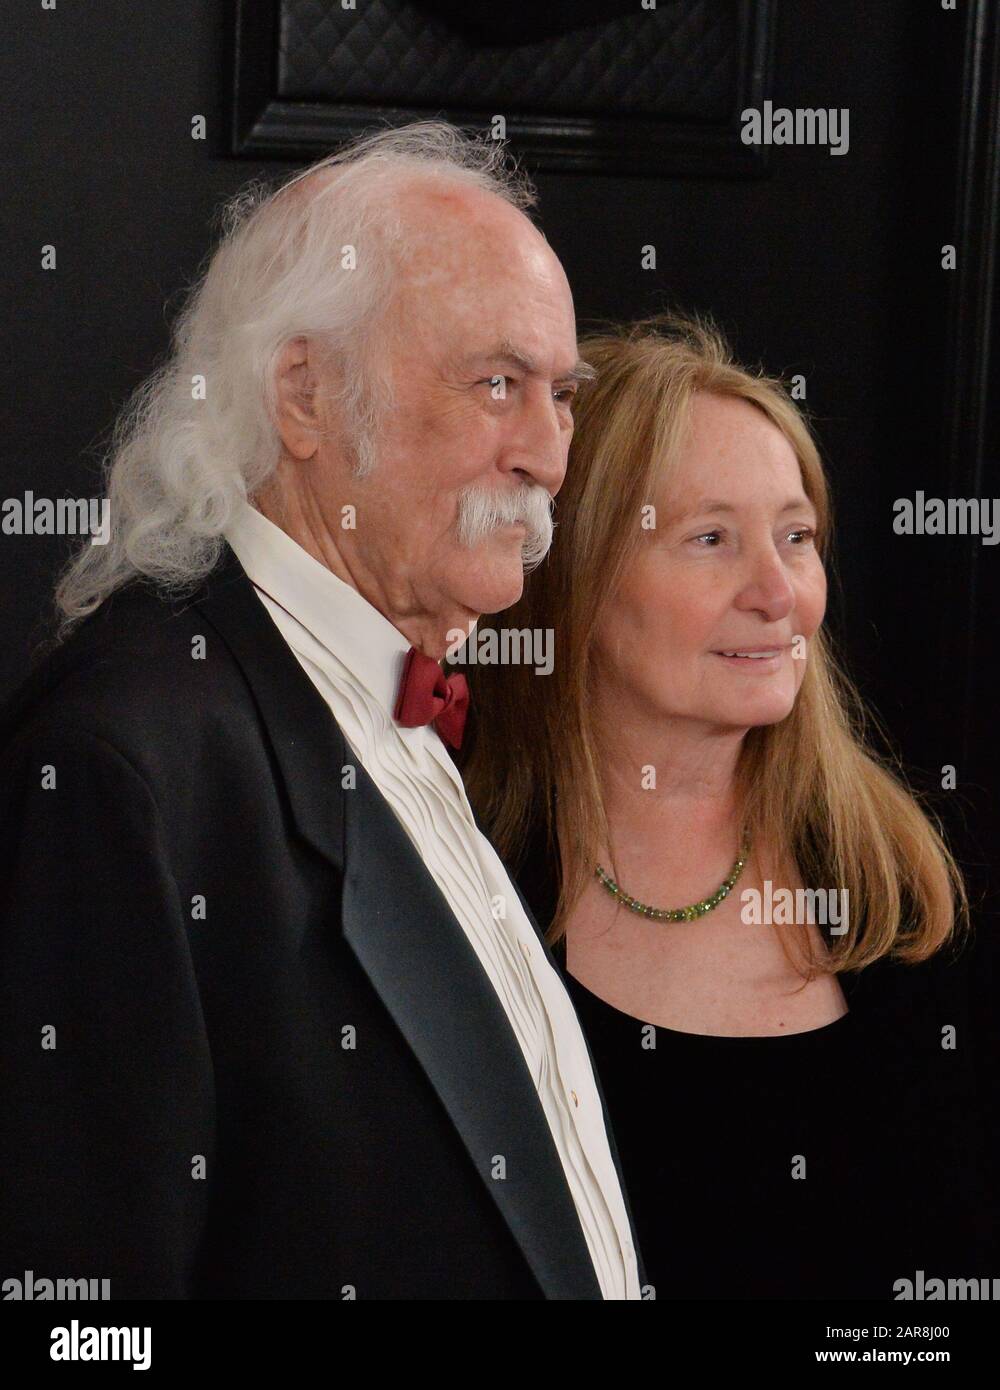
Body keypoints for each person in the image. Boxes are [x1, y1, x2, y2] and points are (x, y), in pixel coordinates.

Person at [0, 122, 647, 1300]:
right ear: (304, 395)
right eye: (497, 384)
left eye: (562, 396)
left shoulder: (397, 688)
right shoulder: (123, 761)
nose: (549, 453)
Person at [458, 313, 999, 1299]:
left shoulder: (900, 884)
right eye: (710, 539)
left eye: (796, 537)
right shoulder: (455, 870)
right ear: (569, 571)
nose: (777, 592)